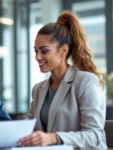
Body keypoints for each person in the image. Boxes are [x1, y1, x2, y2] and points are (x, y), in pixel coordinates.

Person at [19, 11, 107, 149]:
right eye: (36, 51)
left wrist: (54, 138)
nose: (37, 57)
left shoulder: (86, 82)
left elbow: (94, 136)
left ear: (63, 50)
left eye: (44, 51)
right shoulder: (38, 89)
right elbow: (32, 129)